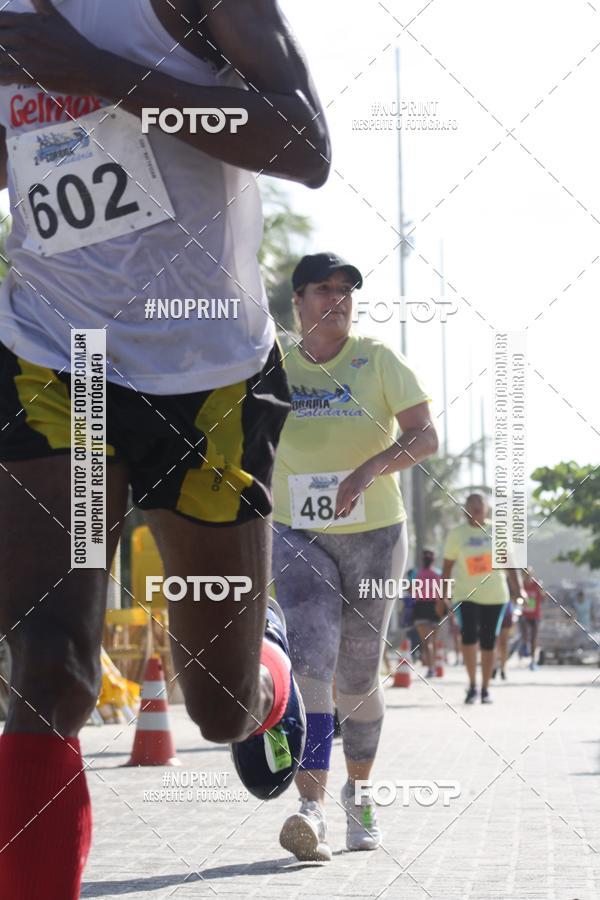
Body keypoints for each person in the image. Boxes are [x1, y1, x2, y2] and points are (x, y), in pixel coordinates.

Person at [0, 2, 330, 897]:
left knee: (219, 709)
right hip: (58, 361)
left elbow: (305, 144)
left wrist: (99, 73)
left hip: (211, 375)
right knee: (45, 660)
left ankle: (266, 663)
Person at [271, 252, 438, 861]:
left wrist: (370, 469)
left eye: (347, 290)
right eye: (324, 289)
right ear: (298, 302)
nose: (338, 298)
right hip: (296, 533)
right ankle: (309, 806)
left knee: (358, 676)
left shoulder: (378, 360)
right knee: (312, 661)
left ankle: (359, 792)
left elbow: (425, 436)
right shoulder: (275, 363)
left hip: (375, 536)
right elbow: (235, 430)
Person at [437, 494, 523, 704]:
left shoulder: (498, 531)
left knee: (488, 641)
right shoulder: (457, 534)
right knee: (468, 638)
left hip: (495, 595)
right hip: (466, 594)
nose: (475, 507)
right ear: (465, 508)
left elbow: (510, 562)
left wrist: (519, 589)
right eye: (471, 504)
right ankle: (472, 685)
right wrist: (442, 595)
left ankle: (485, 688)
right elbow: (447, 567)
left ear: (486, 508)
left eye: (480, 503)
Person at [411, 549, 442, 678]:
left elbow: (413, 590)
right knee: (434, 641)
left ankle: (430, 668)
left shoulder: (417, 574)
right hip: (434, 608)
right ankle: (433, 667)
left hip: (421, 608)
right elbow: (442, 593)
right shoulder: (437, 573)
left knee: (426, 642)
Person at [520, 570, 545, 670]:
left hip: (535, 615)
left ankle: (533, 660)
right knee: (525, 632)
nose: (527, 576)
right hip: (524, 614)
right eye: (524, 575)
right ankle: (525, 645)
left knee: (534, 638)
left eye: (528, 574)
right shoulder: (520, 585)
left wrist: (542, 591)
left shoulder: (536, 585)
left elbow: (544, 598)